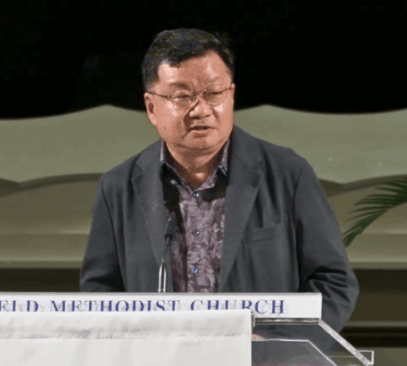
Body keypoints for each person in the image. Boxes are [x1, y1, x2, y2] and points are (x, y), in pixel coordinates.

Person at [79, 28, 359, 351]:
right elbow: (100, 292)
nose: (201, 110)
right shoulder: (118, 188)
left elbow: (334, 283)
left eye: (214, 93)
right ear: (151, 107)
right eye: (182, 97)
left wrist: (274, 345)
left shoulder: (288, 175)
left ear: (232, 95)